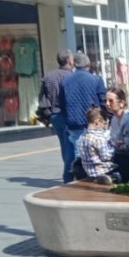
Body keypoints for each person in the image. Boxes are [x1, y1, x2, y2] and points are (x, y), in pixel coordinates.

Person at [60, 52, 107, 181]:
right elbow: (103, 102)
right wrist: (106, 118)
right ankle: (90, 176)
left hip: (73, 122)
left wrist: (67, 118)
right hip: (93, 120)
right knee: (95, 150)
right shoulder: (96, 80)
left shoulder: (65, 82)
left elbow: (62, 104)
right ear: (88, 64)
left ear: (74, 64)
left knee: (78, 150)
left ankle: (78, 176)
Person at [39, 50, 76, 182]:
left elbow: (42, 98)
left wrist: (48, 114)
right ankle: (69, 174)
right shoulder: (71, 76)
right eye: (72, 58)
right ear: (68, 60)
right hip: (67, 114)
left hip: (54, 115)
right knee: (71, 145)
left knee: (64, 144)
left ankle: (69, 170)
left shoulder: (48, 76)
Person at [76, 107, 117, 184]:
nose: (105, 126)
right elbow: (106, 156)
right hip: (103, 169)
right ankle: (110, 177)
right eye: (104, 123)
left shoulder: (81, 137)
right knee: (124, 166)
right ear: (97, 122)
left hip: (89, 171)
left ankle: (97, 177)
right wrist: (114, 146)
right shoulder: (99, 138)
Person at [106, 87, 129, 182]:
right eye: (106, 100)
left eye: (111, 101)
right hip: (118, 155)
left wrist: (117, 144)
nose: (107, 104)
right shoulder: (113, 119)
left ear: (121, 103)